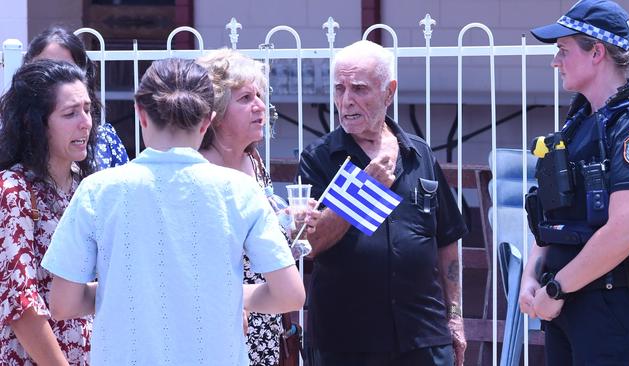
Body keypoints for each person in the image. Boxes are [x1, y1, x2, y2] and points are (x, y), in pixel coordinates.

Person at [41, 58, 305, 365]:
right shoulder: (240, 190)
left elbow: (63, 303)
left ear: (141, 114)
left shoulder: (97, 190)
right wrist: (233, 293)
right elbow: (290, 294)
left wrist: (128, 285)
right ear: (208, 120)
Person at [297, 40, 468, 366]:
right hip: (347, 342)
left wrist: (455, 316)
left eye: (359, 89)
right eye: (339, 89)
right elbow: (309, 245)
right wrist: (362, 191)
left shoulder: (419, 154)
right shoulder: (319, 157)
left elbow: (447, 238)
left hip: (423, 338)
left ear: (389, 92)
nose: (346, 101)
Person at [520, 0, 629, 364]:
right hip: (566, 309)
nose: (555, 61)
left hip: (613, 314)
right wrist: (532, 276)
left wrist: (557, 287)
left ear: (596, 52)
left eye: (563, 50)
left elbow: (627, 229)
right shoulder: (577, 123)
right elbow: (551, 217)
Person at [197, 48, 319, 366]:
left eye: (260, 95)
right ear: (216, 112)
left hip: (264, 318)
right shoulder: (199, 172)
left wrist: (289, 223)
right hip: (220, 320)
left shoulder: (253, 159)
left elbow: (258, 234)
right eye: (245, 98)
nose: (260, 106)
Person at [0, 60, 96, 365]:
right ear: (34, 123)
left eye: (88, 109)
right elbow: (21, 305)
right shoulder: (13, 190)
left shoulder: (89, 188)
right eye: (70, 113)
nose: (85, 122)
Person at [24, 25, 129, 170]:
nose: (56, 77)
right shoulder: (11, 146)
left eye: (67, 69)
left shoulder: (106, 141)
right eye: (45, 68)